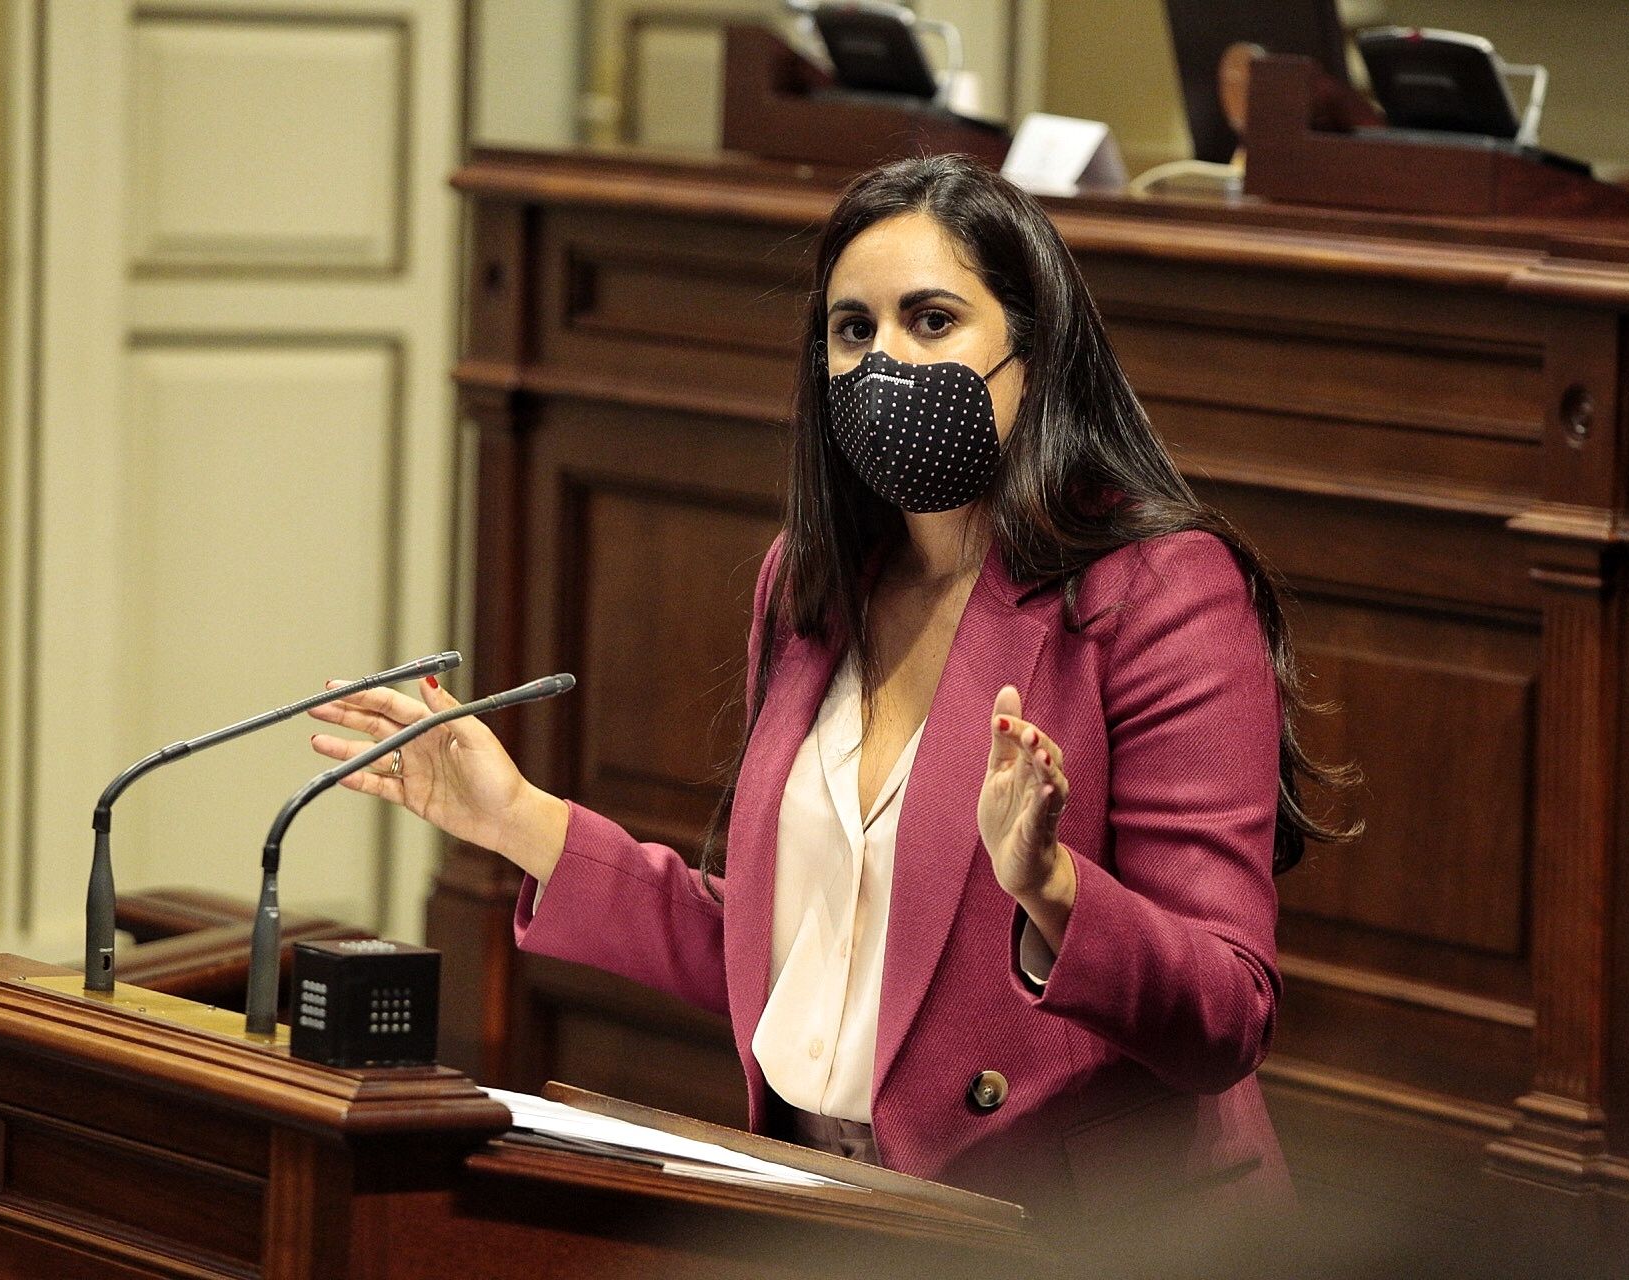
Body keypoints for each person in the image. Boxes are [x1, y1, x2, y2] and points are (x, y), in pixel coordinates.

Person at [308, 153, 1354, 1267]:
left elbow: (1227, 1015)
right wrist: (514, 813)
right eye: (853, 331)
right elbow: (801, 954)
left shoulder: (1160, 591)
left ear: (1033, 351)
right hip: (839, 1212)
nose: (885, 363)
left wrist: (1052, 889)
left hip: (1087, 1235)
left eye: (933, 319)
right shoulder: (811, 586)